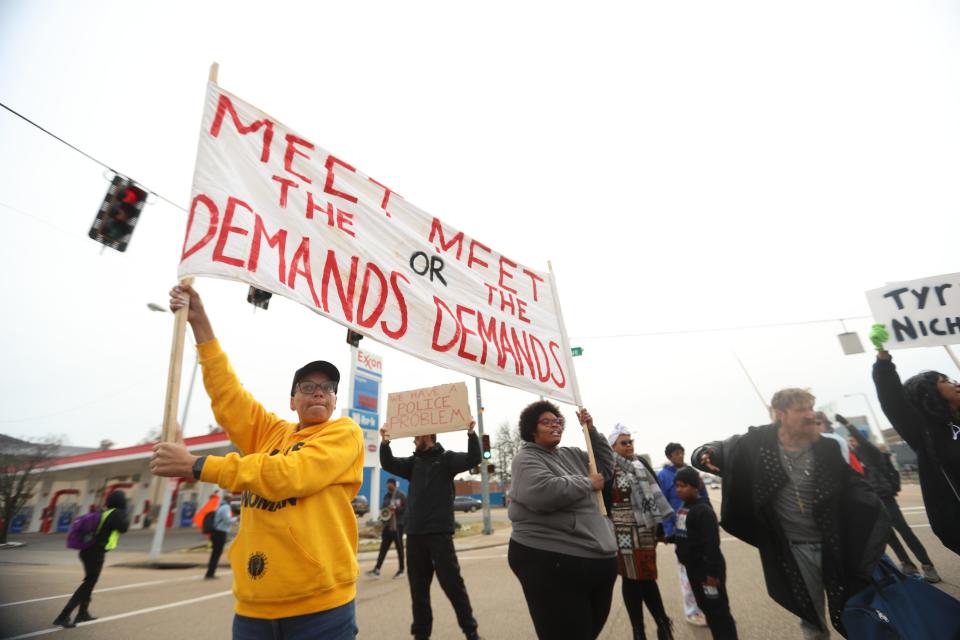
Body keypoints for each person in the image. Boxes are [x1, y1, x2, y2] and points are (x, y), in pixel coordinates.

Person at [151, 283, 364, 640]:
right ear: (292, 400)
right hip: (252, 608)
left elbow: (291, 475)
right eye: (308, 386)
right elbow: (228, 395)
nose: (318, 392)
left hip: (322, 609)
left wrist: (198, 466)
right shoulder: (269, 434)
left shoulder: (344, 433)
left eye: (327, 388)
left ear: (333, 401)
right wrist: (200, 324)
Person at [692, 388, 889, 639]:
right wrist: (704, 453)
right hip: (796, 550)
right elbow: (721, 448)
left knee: (854, 610)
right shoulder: (758, 442)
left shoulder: (826, 447)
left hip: (835, 545)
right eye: (801, 410)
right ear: (780, 414)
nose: (810, 415)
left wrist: (872, 515)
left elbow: (855, 487)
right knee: (812, 620)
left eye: (810, 408)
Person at [507, 401, 617, 640]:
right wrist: (588, 483)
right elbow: (543, 492)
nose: (554, 426)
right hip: (551, 564)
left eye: (557, 421)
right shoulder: (525, 460)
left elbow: (606, 468)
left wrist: (591, 431)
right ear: (531, 430)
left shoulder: (573, 454)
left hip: (598, 560)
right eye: (546, 422)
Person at [379, 424, 481, 640]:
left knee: (453, 586)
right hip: (415, 534)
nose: (413, 440)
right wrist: (385, 442)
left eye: (416, 436)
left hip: (440, 535)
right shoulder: (412, 464)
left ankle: (471, 631)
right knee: (418, 590)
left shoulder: (447, 459)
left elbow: (474, 458)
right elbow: (387, 462)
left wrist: (471, 434)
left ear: (426, 434)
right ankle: (421, 635)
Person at [871, 324, 960, 558]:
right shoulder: (926, 433)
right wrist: (883, 360)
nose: (956, 383)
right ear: (928, 394)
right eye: (945, 381)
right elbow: (893, 401)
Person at [837, 413, 940, 582]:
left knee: (905, 532)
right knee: (888, 535)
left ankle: (927, 565)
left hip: (885, 498)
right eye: (850, 440)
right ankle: (907, 564)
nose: (851, 442)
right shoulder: (855, 458)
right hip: (872, 500)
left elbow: (861, 441)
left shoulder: (871, 452)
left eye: (854, 439)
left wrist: (848, 424)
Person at [606, 424, 675, 640]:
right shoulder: (607, 466)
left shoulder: (641, 463)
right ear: (613, 446)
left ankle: (663, 625)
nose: (629, 446)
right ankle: (639, 630)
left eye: (630, 442)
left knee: (646, 578)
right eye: (623, 443)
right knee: (630, 580)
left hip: (645, 530)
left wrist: (662, 528)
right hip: (622, 531)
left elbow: (655, 495)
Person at [672, 467, 738, 640]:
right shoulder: (683, 508)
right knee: (706, 608)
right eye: (677, 486)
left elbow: (712, 544)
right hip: (693, 570)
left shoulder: (703, 511)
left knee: (718, 611)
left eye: (683, 486)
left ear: (695, 486)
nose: (679, 490)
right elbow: (684, 536)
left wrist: (712, 572)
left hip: (707, 571)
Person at [54, 490, 130, 628]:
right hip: (95, 553)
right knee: (88, 583)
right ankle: (63, 616)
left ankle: (82, 613)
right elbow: (124, 528)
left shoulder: (106, 512)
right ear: (121, 501)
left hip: (89, 551)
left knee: (90, 582)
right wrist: (126, 511)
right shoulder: (116, 514)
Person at [656, 443, 708, 627]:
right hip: (680, 529)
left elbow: (703, 495)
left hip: (698, 526)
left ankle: (706, 607)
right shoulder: (663, 476)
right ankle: (692, 611)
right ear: (670, 456)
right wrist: (668, 530)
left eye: (682, 453)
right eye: (676, 453)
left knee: (705, 569)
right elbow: (662, 503)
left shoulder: (691, 472)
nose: (680, 456)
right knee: (686, 573)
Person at [367, 477, 407, 578]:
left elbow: (406, 509)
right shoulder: (386, 496)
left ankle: (401, 569)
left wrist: (396, 509)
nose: (388, 486)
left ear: (394, 485)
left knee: (399, 548)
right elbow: (384, 510)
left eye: (390, 484)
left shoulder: (400, 495)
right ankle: (377, 569)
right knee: (383, 548)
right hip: (387, 526)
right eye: (387, 484)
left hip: (397, 526)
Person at [206, 491, 238, 579]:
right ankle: (210, 573)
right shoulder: (226, 507)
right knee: (216, 553)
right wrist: (237, 518)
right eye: (230, 498)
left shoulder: (220, 506)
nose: (231, 499)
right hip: (220, 532)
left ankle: (210, 572)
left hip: (216, 532)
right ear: (228, 499)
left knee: (215, 553)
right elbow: (227, 520)